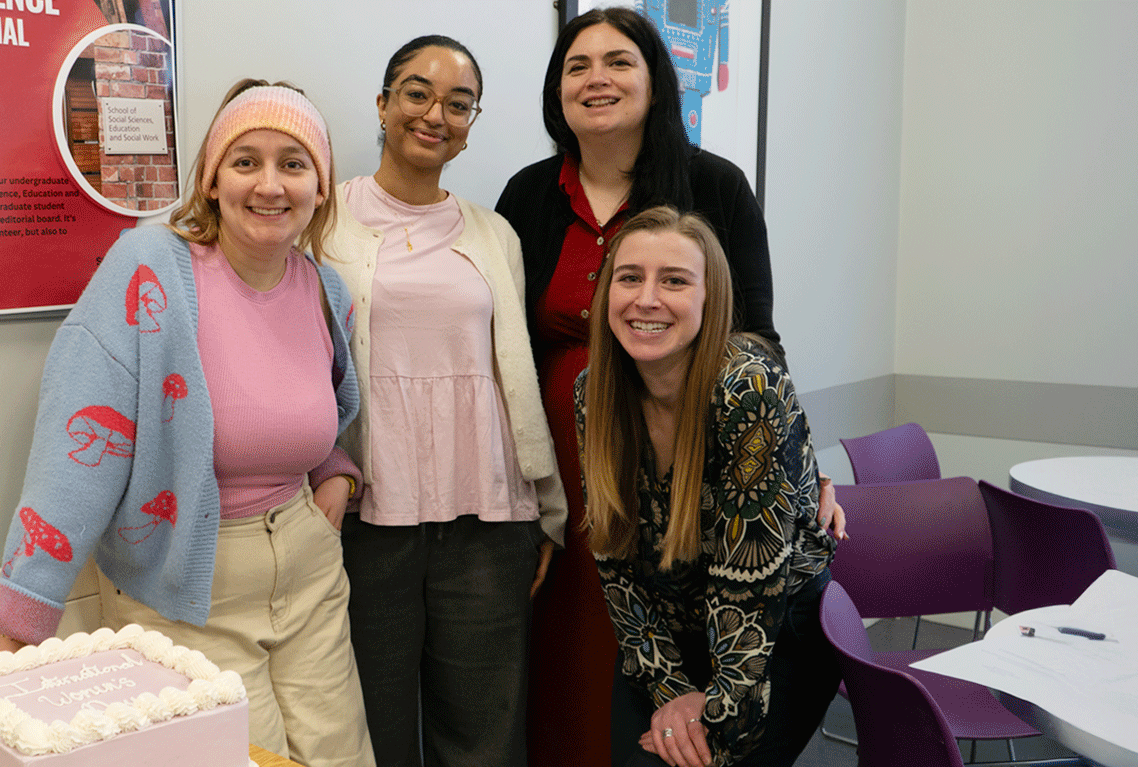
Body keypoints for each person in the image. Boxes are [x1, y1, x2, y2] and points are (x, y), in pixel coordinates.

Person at [0, 80, 374, 767]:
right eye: (245, 161)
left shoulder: (323, 289)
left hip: (312, 576)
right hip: (184, 589)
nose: (269, 184)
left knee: (344, 758)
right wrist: (17, 628)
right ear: (212, 180)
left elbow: (315, 410)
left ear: (320, 186)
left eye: (293, 163)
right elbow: (77, 449)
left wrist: (333, 468)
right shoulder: (149, 267)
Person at [493, 9, 844, 765]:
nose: (597, 79)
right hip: (572, 460)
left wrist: (794, 467)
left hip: (716, 465)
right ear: (557, 90)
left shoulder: (713, 185)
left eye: (619, 61)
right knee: (575, 663)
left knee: (702, 689)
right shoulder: (528, 194)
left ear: (657, 81)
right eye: (577, 65)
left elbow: (759, 337)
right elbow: (504, 343)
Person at [323, 36, 565, 767]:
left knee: (484, 738)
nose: (436, 115)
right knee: (374, 731)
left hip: (487, 519)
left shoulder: (496, 233)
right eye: (417, 93)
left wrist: (544, 506)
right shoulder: (322, 221)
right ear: (383, 103)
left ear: (471, 124)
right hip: (370, 518)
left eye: (459, 104)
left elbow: (513, 375)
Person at [579, 206, 839, 767]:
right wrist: (671, 689)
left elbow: (751, 580)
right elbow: (614, 560)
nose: (647, 299)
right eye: (629, 277)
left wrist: (714, 715)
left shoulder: (746, 387)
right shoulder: (595, 391)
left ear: (709, 298)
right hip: (673, 633)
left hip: (775, 629)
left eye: (674, 281)